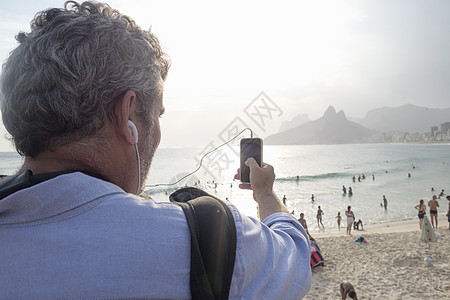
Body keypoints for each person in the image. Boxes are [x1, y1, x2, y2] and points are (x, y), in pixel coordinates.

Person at [0, 2, 312, 298]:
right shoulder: (205, 240)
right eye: (158, 115)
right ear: (128, 115)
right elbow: (296, 257)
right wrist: (264, 193)